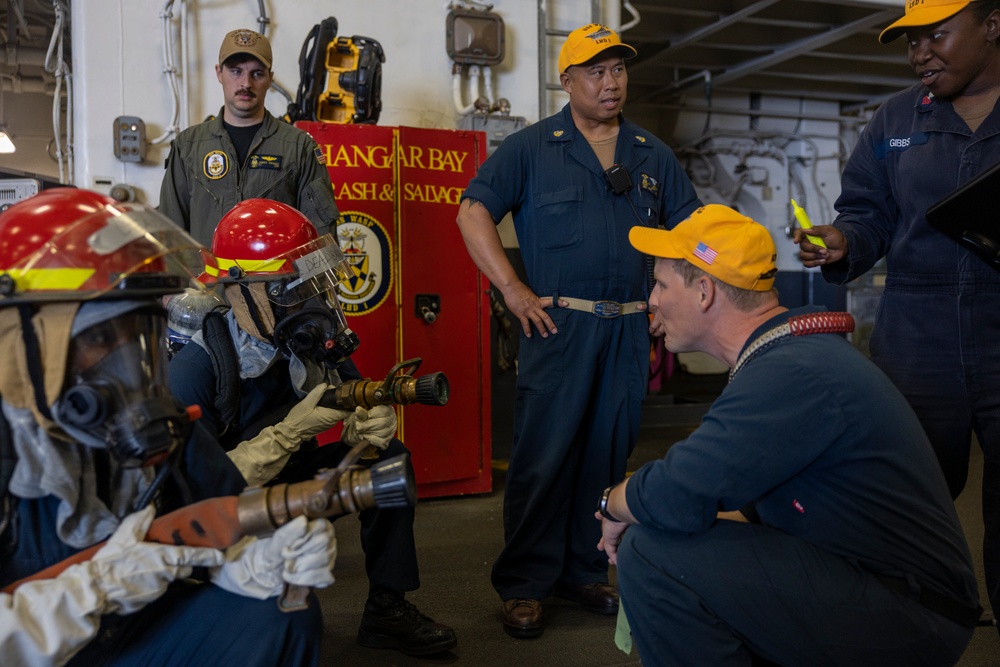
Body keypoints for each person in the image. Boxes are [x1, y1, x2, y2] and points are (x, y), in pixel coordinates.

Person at [595, 203, 981, 666]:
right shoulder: (787, 355)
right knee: (670, 532)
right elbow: (720, 497)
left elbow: (677, 490)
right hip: (886, 589)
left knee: (652, 552)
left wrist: (612, 503)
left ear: (704, 292)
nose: (652, 300)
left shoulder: (792, 372)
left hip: (912, 616)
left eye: (660, 284)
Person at [0, 188, 336, 666]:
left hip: (132, 630)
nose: (128, 365)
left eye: (140, 336)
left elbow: (227, 519)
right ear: (21, 345)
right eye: (98, 338)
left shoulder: (165, 429)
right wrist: (81, 596)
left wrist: (259, 557)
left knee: (278, 614)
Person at [456, 22, 702, 638]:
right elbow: (473, 210)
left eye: (618, 69)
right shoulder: (533, 147)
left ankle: (584, 569)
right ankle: (526, 583)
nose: (610, 82)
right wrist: (512, 289)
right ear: (566, 81)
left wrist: (671, 301)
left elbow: (691, 233)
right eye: (595, 70)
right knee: (542, 460)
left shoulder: (653, 154)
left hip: (626, 332)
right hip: (558, 327)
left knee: (606, 457)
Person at [168, 198, 458, 657]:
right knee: (272, 628)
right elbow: (193, 498)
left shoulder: (305, 338)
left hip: (295, 482)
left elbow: (354, 394)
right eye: (292, 291)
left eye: (314, 287)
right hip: (229, 508)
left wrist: (368, 420)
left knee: (389, 461)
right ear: (241, 291)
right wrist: (286, 433)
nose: (311, 304)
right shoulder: (196, 370)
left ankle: (387, 608)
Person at [793, 0, 1000, 629]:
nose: (919, 54)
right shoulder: (896, 119)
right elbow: (867, 210)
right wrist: (845, 240)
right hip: (917, 330)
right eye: (910, 42)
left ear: (992, 24)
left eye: (936, 35)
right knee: (900, 499)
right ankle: (900, 638)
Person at [158, 28, 340, 246]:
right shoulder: (187, 147)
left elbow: (321, 238)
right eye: (236, 71)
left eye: (257, 73)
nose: (246, 83)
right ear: (219, 73)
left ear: (270, 79)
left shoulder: (298, 147)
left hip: (278, 280)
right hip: (209, 280)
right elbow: (170, 235)